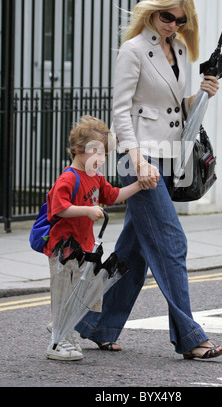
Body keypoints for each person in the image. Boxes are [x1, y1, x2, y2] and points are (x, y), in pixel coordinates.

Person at [76, 0, 222, 360]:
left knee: (136, 250)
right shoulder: (133, 50)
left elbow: (172, 107)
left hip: (168, 157)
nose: (172, 24)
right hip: (139, 159)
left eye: (179, 19)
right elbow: (122, 112)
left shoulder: (176, 48)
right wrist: (139, 162)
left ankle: (98, 325)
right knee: (172, 242)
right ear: (153, 10)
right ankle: (190, 337)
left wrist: (202, 93)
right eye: (166, 16)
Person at [45, 115, 157, 361]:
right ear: (77, 150)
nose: (101, 159)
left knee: (81, 294)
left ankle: (68, 331)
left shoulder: (95, 178)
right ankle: (57, 342)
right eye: (95, 152)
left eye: (104, 154)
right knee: (64, 293)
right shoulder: (69, 178)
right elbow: (58, 208)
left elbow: (114, 195)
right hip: (63, 248)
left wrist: (140, 185)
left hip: (84, 248)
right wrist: (87, 210)